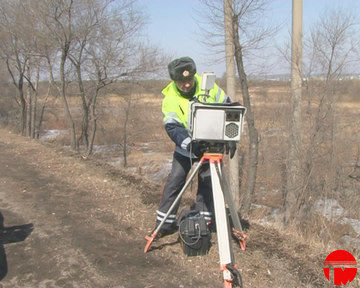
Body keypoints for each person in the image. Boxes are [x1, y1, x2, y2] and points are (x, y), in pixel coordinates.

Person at [154, 56, 236, 237]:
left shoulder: (209, 86)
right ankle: (164, 224)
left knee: (207, 183)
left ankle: (203, 222)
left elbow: (229, 108)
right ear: (174, 81)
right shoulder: (170, 99)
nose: (187, 85)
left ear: (194, 75)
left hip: (210, 146)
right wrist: (190, 144)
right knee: (175, 181)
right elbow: (173, 127)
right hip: (185, 148)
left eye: (189, 80)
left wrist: (230, 137)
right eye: (181, 82)